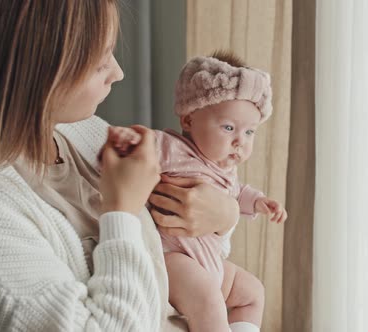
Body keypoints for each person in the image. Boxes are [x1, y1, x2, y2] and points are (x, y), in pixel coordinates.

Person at [0, 1, 238, 331]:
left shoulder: (85, 134)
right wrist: (122, 211)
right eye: (100, 63)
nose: (118, 72)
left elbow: (192, 251)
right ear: (39, 72)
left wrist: (224, 215)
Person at [106, 51, 288, 332]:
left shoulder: (225, 170)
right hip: (173, 258)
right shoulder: (171, 147)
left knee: (252, 292)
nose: (240, 142)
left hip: (211, 263)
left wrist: (260, 202)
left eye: (249, 132)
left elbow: (238, 193)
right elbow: (145, 144)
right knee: (209, 302)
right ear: (189, 120)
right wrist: (129, 139)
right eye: (229, 128)